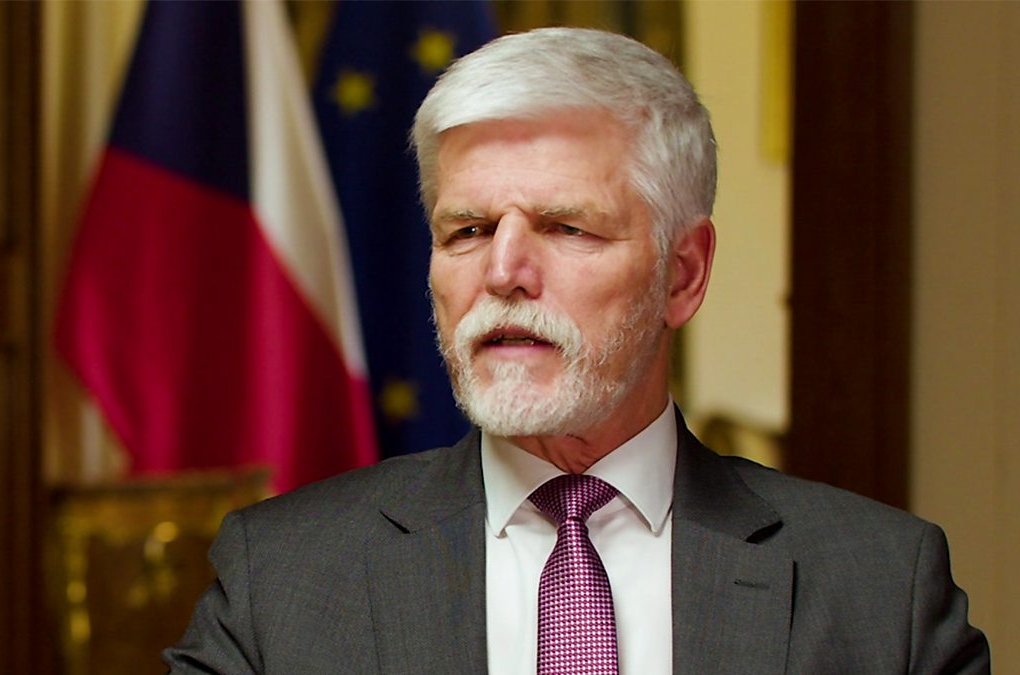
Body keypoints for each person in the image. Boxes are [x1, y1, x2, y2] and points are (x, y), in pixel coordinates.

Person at [164, 27, 989, 674]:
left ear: (683, 273)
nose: (502, 272)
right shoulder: (282, 581)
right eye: (468, 230)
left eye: (566, 227)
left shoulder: (882, 591)